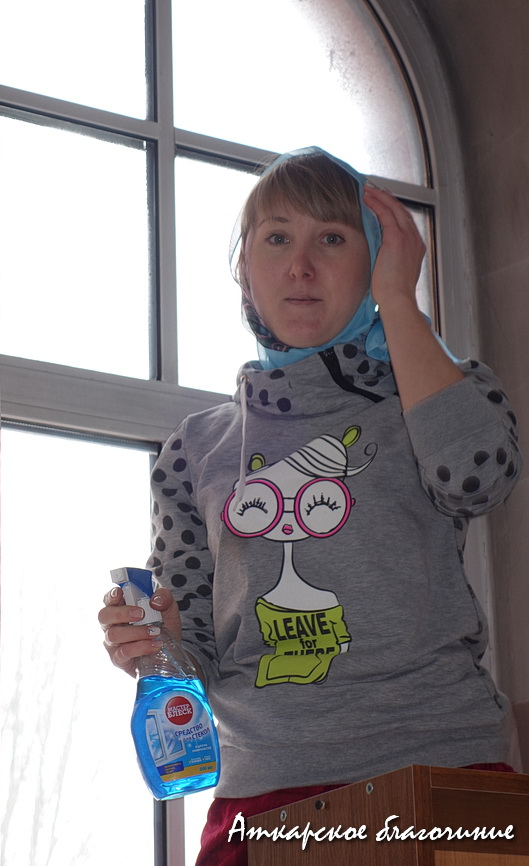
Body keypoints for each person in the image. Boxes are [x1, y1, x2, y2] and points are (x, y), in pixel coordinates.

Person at [99, 147, 522, 865]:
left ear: (376, 259)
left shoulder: (440, 387)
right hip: (265, 790)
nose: (300, 266)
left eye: (331, 237)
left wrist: (399, 304)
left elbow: (478, 479)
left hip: (442, 764)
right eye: (276, 238)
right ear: (244, 268)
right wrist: (156, 642)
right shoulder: (194, 448)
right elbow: (192, 646)